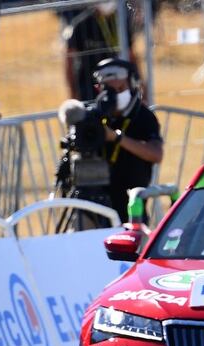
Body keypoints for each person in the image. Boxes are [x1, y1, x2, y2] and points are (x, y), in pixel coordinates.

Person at [92, 58, 163, 223]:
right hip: (97, 202)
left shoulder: (143, 116)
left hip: (131, 204)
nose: (115, 94)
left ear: (132, 85)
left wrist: (117, 138)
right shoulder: (94, 117)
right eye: (110, 89)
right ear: (99, 89)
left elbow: (155, 154)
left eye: (121, 88)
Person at [61, 1, 139, 101]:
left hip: (119, 88)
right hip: (88, 90)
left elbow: (132, 56)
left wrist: (140, 84)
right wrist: (73, 93)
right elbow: (69, 61)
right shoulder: (80, 25)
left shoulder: (120, 23)